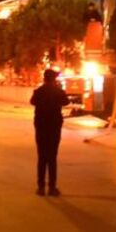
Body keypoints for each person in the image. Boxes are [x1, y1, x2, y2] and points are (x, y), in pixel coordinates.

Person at [30, 68, 69, 196]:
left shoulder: (39, 91)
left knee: (42, 157)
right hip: (54, 128)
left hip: (41, 128)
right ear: (53, 79)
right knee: (52, 157)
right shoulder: (58, 91)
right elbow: (66, 101)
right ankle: (52, 187)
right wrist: (60, 90)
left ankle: (41, 187)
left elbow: (32, 102)